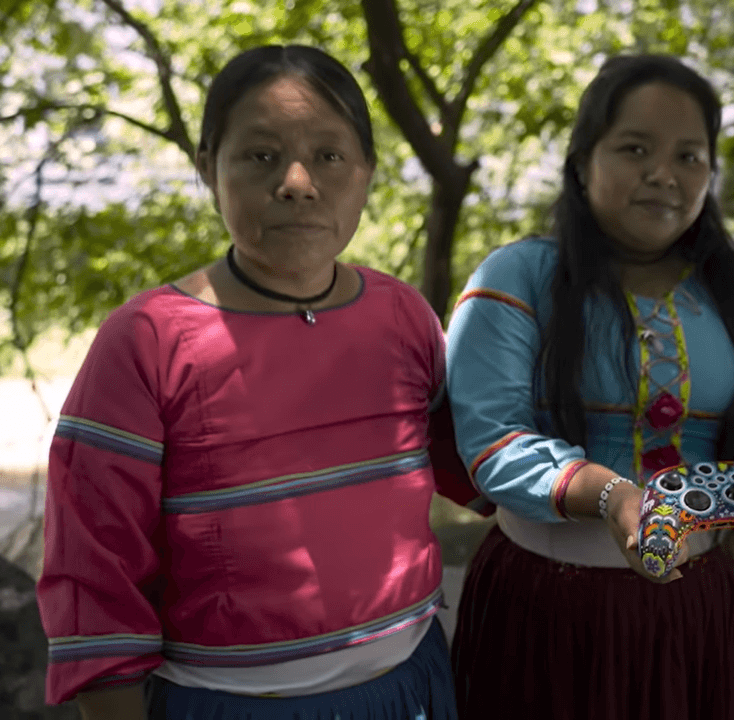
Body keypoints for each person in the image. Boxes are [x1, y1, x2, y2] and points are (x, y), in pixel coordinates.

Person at [38, 45, 463, 720]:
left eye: (329, 155)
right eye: (261, 155)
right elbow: (95, 584)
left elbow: (479, 463)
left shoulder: (403, 316)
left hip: (411, 688)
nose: (297, 181)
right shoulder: (145, 342)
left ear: (367, 172)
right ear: (208, 166)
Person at [445, 54, 734, 719]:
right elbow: (492, 438)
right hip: (553, 614)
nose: (664, 174)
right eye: (635, 149)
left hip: (719, 613)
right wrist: (614, 497)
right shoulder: (516, 278)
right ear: (582, 160)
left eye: (690, 156)